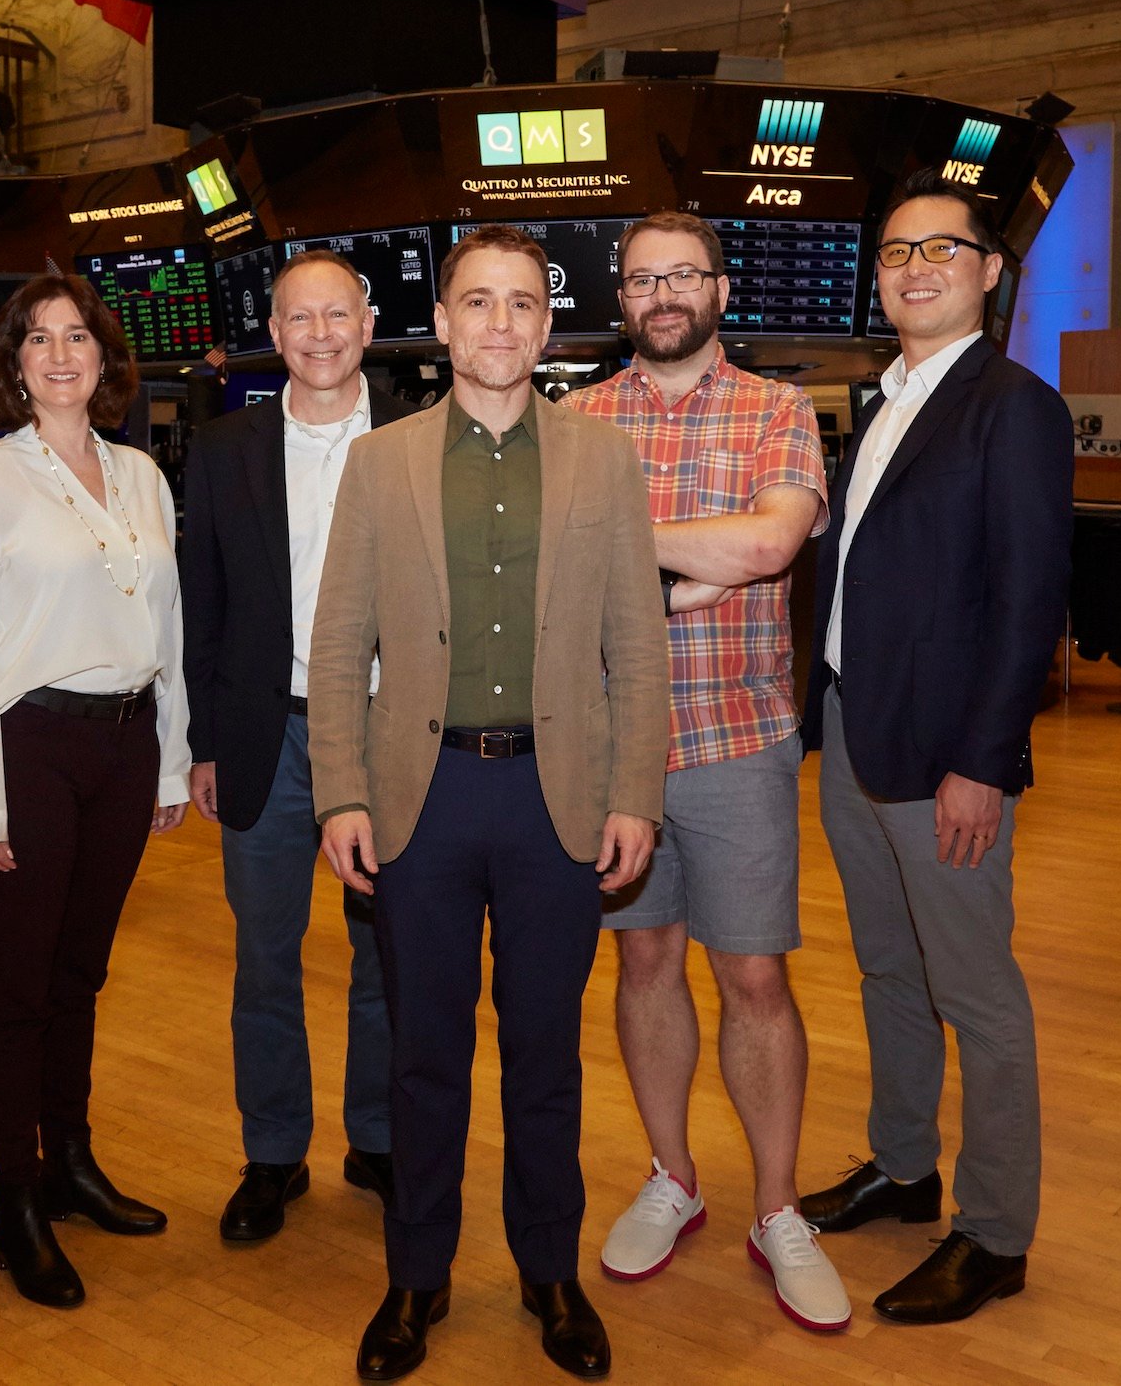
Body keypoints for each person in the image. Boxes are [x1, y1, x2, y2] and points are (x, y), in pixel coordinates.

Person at [309, 224, 670, 1383]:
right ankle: (415, 1277)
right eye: (478, 301)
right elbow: (338, 637)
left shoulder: (604, 460)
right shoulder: (384, 461)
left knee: (545, 1054)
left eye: (522, 303)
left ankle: (548, 1270)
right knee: (424, 1053)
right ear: (445, 320)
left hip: (556, 800)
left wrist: (635, 794)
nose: (500, 323)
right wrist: (340, 792)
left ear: (547, 325)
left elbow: (636, 642)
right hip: (422, 797)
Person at [797, 168, 1072, 1324]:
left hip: (946, 752)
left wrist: (984, 758)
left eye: (939, 250)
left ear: (988, 270)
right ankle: (904, 1165)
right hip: (859, 727)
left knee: (976, 991)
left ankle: (995, 1230)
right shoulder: (880, 401)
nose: (914, 268)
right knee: (886, 968)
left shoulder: (1012, 404)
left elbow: (1026, 600)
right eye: (897, 252)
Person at [562, 213, 845, 1332]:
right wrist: (695, 559)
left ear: (719, 287)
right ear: (620, 297)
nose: (663, 294)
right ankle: (674, 1172)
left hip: (737, 740)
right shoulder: (575, 418)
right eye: (642, 279)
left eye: (682, 274)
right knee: (642, 964)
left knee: (757, 980)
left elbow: (770, 546)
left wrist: (627, 547)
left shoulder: (776, 409)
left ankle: (778, 1208)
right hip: (611, 747)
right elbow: (559, 572)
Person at [0, 274, 193, 1309]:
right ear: (13, 362)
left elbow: (165, 633)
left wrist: (171, 758)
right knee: (22, 989)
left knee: (81, 975)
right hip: (27, 744)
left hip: (125, 748)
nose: (58, 353)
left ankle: (70, 1161)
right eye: (35, 338)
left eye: (75, 334)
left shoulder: (139, 474)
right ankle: (16, 1199)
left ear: (103, 354)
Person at [180, 250, 418, 1242]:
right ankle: (273, 1152)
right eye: (297, 318)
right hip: (264, 734)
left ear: (368, 325)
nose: (319, 333)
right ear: (270, 336)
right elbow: (205, 603)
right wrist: (199, 739)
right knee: (265, 955)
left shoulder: (418, 438)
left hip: (385, 732)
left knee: (389, 952)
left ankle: (379, 1137)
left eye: (338, 315)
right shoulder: (224, 445)